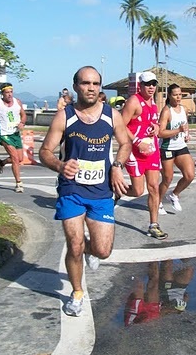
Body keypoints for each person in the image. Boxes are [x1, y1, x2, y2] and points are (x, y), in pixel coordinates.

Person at [39, 66, 131, 317]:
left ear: (100, 87)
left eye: (95, 84)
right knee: (75, 244)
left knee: (102, 250)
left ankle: (91, 251)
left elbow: (125, 143)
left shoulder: (112, 115)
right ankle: (77, 292)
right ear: (76, 85)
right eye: (85, 83)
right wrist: (60, 165)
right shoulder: (64, 117)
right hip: (72, 190)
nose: (90, 88)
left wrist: (117, 167)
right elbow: (44, 151)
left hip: (101, 192)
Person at [120, 71, 167, 240]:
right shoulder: (134, 102)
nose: (151, 87)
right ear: (140, 85)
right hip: (134, 153)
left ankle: (154, 224)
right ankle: (117, 190)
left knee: (154, 187)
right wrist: (137, 141)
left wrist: (155, 127)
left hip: (151, 151)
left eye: (154, 84)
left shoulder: (153, 102)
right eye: (148, 84)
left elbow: (152, 122)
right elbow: (120, 125)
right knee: (138, 191)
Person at [158, 83, 195, 215]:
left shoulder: (183, 109)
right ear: (169, 95)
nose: (178, 97)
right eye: (175, 95)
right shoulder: (166, 111)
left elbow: (185, 125)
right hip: (167, 147)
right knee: (167, 178)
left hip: (180, 146)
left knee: (190, 175)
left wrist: (186, 134)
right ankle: (157, 202)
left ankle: (174, 195)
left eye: (180, 94)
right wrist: (177, 130)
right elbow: (160, 133)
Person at [0, 83, 27, 193]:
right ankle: (19, 183)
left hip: (15, 133)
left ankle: (1, 163)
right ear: (2, 93)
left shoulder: (17, 102)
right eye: (7, 92)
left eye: (11, 92)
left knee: (20, 158)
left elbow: (23, 114)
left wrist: (22, 122)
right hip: (4, 134)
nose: (9, 94)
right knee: (15, 158)